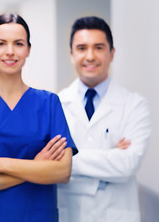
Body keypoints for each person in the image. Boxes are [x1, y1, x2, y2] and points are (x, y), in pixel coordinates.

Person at [0, 13, 78, 222]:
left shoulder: (49, 103)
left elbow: (62, 171)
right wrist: (36, 166)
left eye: (19, 43)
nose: (10, 51)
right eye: (1, 43)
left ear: (28, 49)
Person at [57, 16, 151, 222]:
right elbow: (48, 166)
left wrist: (68, 159)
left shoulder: (135, 105)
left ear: (112, 53)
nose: (90, 56)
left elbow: (128, 164)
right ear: (71, 54)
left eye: (98, 47)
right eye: (82, 48)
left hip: (116, 213)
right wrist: (110, 156)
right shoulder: (56, 104)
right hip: (70, 213)